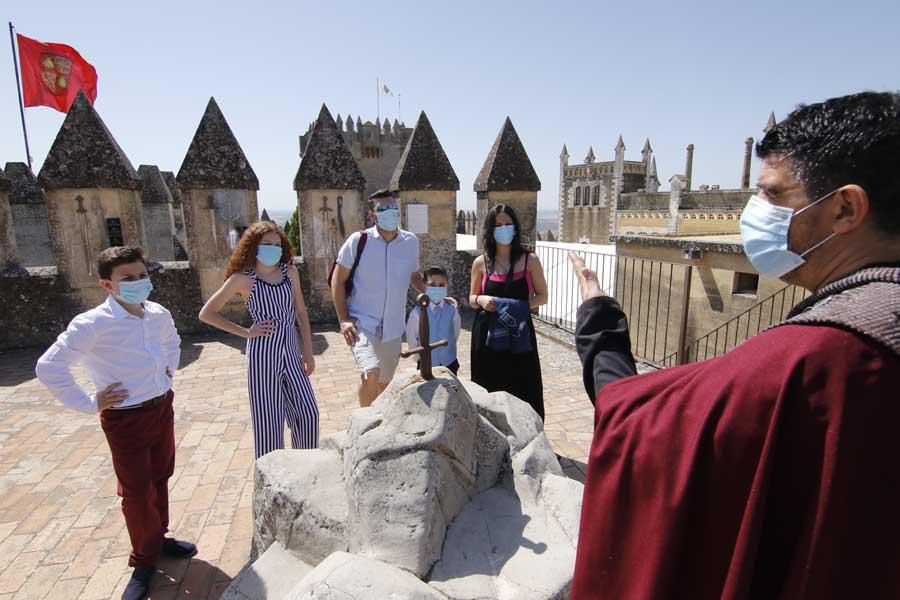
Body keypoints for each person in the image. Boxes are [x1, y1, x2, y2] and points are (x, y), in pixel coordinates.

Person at [570, 92, 900, 599]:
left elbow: (639, 425)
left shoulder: (821, 362)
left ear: (845, 208)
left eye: (771, 195)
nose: (755, 210)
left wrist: (599, 319)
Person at [35, 246, 196, 600]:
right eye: (128, 278)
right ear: (107, 285)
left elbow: (173, 342)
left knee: (160, 476)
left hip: (160, 407)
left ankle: (159, 537)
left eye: (143, 275)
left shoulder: (157, 313)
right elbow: (49, 367)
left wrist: (168, 373)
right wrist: (88, 402)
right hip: (125, 418)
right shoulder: (92, 324)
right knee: (137, 491)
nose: (139, 282)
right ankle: (143, 563)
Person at [199, 221, 319, 460]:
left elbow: (301, 312)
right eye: (266, 244)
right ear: (254, 246)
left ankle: (305, 467)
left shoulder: (289, 272)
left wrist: (308, 350)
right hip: (263, 355)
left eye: (277, 244)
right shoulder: (242, 279)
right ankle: (270, 480)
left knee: (308, 413)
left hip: (291, 351)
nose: (273, 248)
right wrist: (246, 332)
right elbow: (207, 313)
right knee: (269, 424)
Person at [332, 189, 426, 406]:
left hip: (393, 327)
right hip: (362, 322)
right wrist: (344, 319)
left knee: (385, 384)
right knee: (370, 372)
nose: (390, 213)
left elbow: (414, 276)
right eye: (383, 209)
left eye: (393, 208)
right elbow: (337, 280)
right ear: (373, 215)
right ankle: (364, 425)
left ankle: (379, 425)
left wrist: (435, 295)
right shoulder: (358, 241)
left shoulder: (410, 242)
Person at [469, 204, 548, 419]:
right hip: (487, 337)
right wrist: (482, 299)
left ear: (515, 228)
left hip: (519, 335)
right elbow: (471, 298)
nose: (503, 228)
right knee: (489, 388)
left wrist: (516, 307)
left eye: (507, 224)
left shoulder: (530, 261)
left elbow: (543, 297)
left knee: (524, 386)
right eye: (498, 225)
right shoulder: (480, 263)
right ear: (490, 230)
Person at [405, 265, 462, 375]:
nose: (437, 289)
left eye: (441, 285)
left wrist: (449, 350)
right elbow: (412, 338)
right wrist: (419, 357)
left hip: (449, 362)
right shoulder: (417, 312)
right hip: (426, 364)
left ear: (447, 286)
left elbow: (455, 332)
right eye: (432, 285)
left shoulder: (452, 309)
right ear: (424, 285)